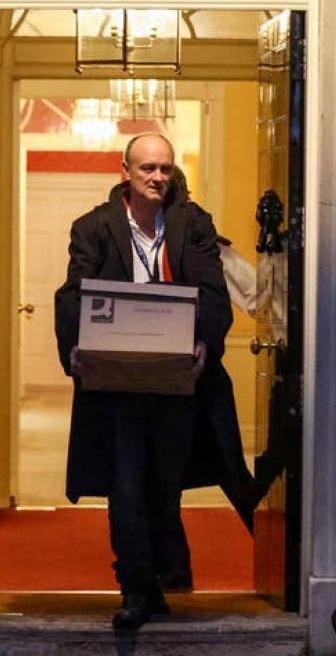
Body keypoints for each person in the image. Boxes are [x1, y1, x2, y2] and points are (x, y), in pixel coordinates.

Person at [54, 133, 256, 629]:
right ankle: (135, 589)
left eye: (165, 168)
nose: (157, 177)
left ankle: (158, 580)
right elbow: (74, 293)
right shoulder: (93, 227)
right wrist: (74, 348)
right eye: (147, 168)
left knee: (165, 486)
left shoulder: (193, 224)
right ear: (125, 172)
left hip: (177, 384)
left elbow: (212, 292)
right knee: (125, 485)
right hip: (119, 387)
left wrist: (205, 342)